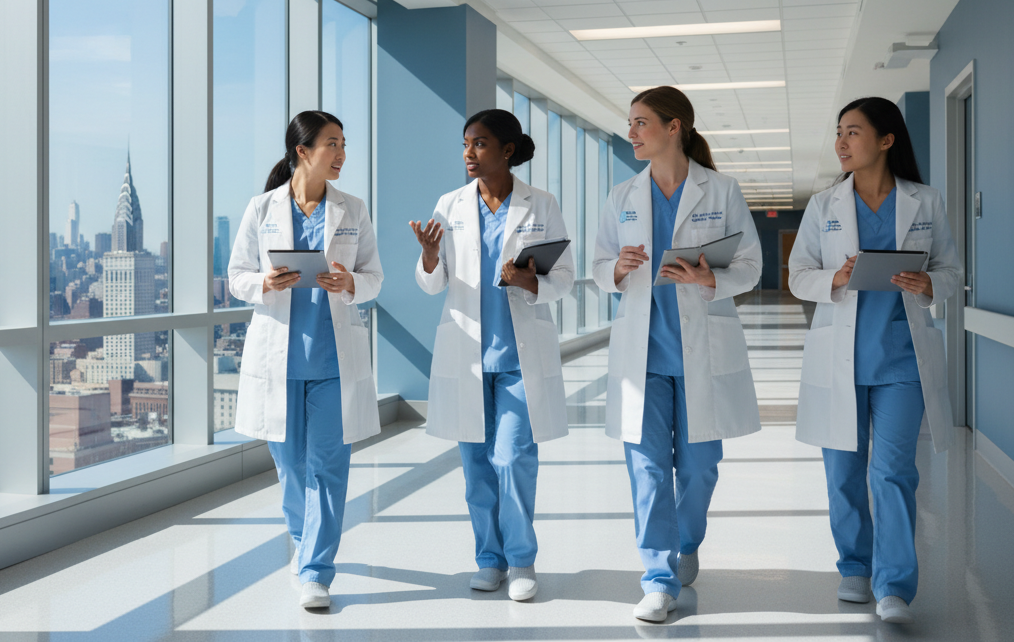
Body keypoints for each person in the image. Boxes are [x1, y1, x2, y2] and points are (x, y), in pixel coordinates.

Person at [592, 86, 762, 623]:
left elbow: (752, 266)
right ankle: (657, 577)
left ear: (675, 127)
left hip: (700, 352)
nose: (632, 132)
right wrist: (616, 268)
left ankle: (687, 540)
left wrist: (713, 276)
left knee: (700, 467)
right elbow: (599, 269)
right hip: (642, 355)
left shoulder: (722, 190)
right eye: (630, 123)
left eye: (641, 122)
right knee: (645, 470)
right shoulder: (622, 196)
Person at [788, 97, 960, 625]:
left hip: (902, 361)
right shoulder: (823, 206)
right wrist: (835, 278)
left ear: (886, 140)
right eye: (839, 132)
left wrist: (932, 283)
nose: (841, 143)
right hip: (841, 356)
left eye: (853, 133)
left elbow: (952, 271)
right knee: (843, 472)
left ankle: (894, 586)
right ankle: (854, 566)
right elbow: (798, 276)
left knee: (893, 474)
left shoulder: (924, 201)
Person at [410, 108, 573, 602]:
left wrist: (530, 280)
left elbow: (561, 278)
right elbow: (430, 282)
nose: (469, 153)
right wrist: (429, 258)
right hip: (467, 354)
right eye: (466, 144)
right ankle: (489, 558)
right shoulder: (450, 204)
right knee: (476, 467)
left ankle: (521, 559)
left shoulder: (540, 204)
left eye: (479, 144)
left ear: (506, 150)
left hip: (519, 358)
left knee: (513, 458)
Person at [227, 110, 383, 610]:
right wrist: (264, 283)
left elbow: (374, 276)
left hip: (333, 362)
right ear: (303, 151)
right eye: (332, 144)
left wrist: (350, 283)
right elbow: (236, 276)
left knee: (329, 467)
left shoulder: (353, 209)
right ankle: (303, 538)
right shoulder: (262, 208)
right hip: (280, 360)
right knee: (290, 467)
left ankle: (316, 569)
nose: (341, 154)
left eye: (343, 144)